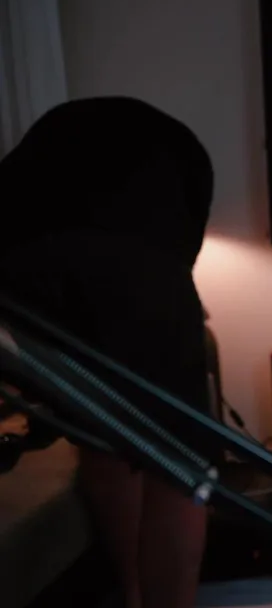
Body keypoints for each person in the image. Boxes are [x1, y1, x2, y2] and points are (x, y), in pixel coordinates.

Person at [0, 97, 215, 608]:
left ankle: (132, 595)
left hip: (16, 261)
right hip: (126, 264)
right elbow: (171, 265)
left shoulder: (56, 145)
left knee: (101, 435)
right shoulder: (183, 163)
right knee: (178, 463)